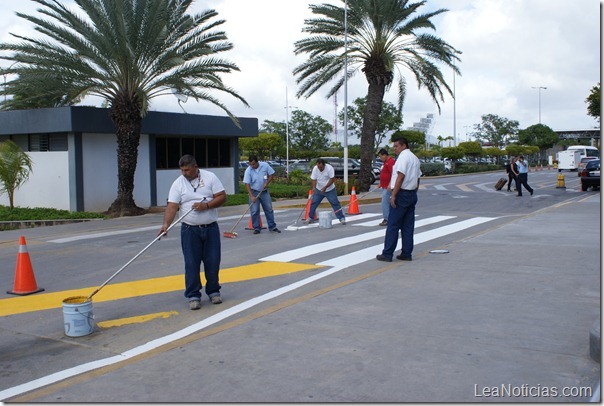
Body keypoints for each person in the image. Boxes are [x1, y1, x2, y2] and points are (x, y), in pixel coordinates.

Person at [159, 155, 227, 310]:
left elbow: (222, 197)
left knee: (213, 261)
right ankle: (193, 295)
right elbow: (172, 205)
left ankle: (214, 291)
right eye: (182, 170)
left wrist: (207, 206)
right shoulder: (178, 183)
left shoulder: (210, 177)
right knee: (191, 263)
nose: (184, 173)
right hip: (190, 230)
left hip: (210, 228)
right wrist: (165, 225)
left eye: (187, 170)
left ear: (195, 167)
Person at [376, 137, 422, 262]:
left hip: (401, 194)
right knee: (407, 226)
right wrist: (414, 191)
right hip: (411, 194)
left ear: (403, 146)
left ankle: (387, 253)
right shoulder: (415, 158)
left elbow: (401, 176)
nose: (394, 149)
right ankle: (407, 253)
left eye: (396, 146)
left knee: (393, 225)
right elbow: (418, 178)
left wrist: (394, 195)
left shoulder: (403, 157)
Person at [243, 155, 281, 234]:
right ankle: (256, 228)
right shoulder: (248, 170)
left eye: (253, 164)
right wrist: (252, 196)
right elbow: (247, 184)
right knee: (254, 211)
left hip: (264, 191)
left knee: (269, 209)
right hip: (253, 191)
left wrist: (267, 183)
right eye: (250, 164)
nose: (252, 166)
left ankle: (272, 227)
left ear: (257, 162)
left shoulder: (265, 165)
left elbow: (271, 174)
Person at [305, 158, 346, 225]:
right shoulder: (315, 169)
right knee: (314, 203)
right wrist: (314, 187)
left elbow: (332, 179)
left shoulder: (329, 168)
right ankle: (310, 218)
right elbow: (314, 179)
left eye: (321, 167)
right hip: (319, 189)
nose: (320, 169)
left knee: (335, 203)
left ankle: (341, 218)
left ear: (324, 165)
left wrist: (325, 187)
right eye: (318, 167)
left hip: (330, 189)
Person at [378, 148, 395, 226]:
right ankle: (389, 218)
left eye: (381, 156)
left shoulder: (390, 162)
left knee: (385, 202)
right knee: (386, 202)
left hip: (388, 187)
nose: (380, 158)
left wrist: (390, 184)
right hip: (384, 186)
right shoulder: (385, 163)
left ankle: (386, 219)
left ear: (385, 155)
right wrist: (380, 183)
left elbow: (393, 174)